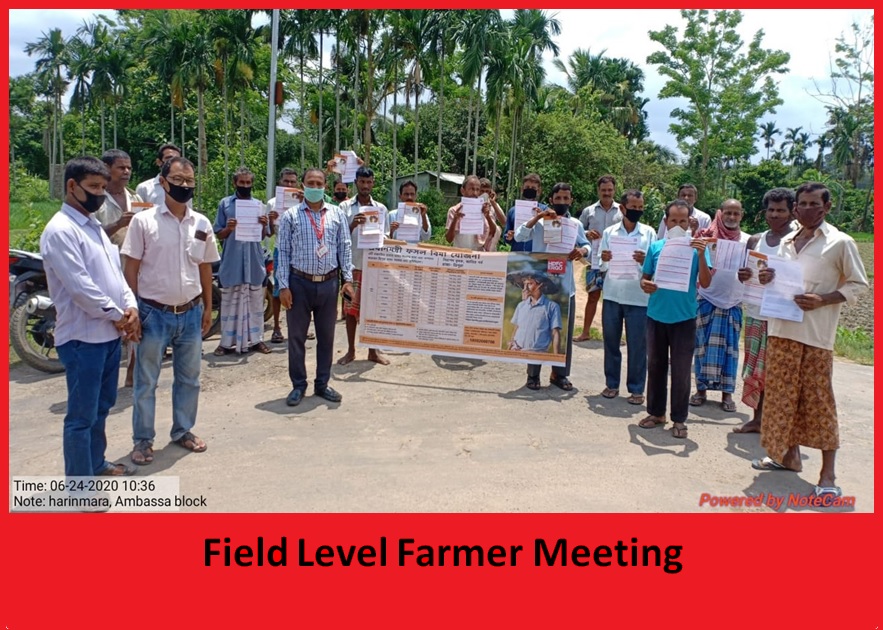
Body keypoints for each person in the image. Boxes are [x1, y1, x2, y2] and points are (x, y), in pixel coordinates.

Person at [751, 182, 868, 499]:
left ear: (827, 207)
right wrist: (766, 278)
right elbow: (775, 279)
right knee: (780, 398)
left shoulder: (839, 243)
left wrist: (824, 299)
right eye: (801, 204)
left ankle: (827, 474)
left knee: (818, 402)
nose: (806, 209)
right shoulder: (787, 242)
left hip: (815, 337)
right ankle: (788, 457)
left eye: (814, 204)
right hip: (780, 330)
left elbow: (859, 285)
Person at [40, 156, 141, 478]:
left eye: (102, 187)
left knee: (101, 408)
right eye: (94, 187)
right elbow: (81, 288)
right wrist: (118, 315)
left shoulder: (94, 227)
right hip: (83, 338)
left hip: (109, 336)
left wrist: (131, 307)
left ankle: (96, 463)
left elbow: (115, 274)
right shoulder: (60, 231)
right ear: (72, 186)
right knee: (81, 417)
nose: (100, 194)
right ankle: (80, 484)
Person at [122, 156, 220, 465]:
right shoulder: (144, 222)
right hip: (153, 313)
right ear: (162, 182)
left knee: (189, 378)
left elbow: (205, 267)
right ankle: (142, 440)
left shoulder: (201, 223)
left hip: (191, 313)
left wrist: (208, 307)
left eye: (190, 182)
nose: (184, 187)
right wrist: (133, 310)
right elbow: (131, 269)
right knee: (146, 381)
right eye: (178, 181)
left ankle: (183, 431)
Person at [277, 167, 355, 406]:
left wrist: (348, 280)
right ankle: (299, 385)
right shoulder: (290, 215)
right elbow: (283, 251)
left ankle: (322, 384)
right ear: (303, 186)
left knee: (327, 337)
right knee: (297, 338)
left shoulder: (335, 214)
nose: (314, 186)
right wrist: (282, 286)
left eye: (319, 183)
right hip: (299, 283)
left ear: (325, 187)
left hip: (329, 284)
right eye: (310, 182)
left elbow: (344, 246)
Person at [638, 200, 712, 439]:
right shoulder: (656, 247)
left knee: (681, 371)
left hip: (684, 318)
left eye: (683, 220)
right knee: (656, 366)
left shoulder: (698, 248)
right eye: (673, 220)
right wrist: (645, 285)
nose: (678, 224)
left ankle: (679, 419)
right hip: (656, 315)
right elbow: (644, 279)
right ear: (666, 221)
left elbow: (706, 282)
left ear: (690, 221)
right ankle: (656, 413)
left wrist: (701, 255)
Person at [515, 182, 590, 391]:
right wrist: (538, 217)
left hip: (565, 286)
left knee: (563, 332)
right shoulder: (539, 222)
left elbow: (586, 245)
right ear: (551, 200)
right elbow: (520, 235)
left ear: (571, 201)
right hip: (540, 283)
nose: (562, 203)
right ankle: (533, 375)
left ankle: (559, 375)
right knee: (535, 328)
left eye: (566, 199)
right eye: (558, 199)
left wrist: (582, 252)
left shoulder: (575, 224)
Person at [732, 188, 796, 434]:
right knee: (755, 369)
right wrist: (744, 274)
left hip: (783, 317)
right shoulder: (755, 240)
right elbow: (745, 273)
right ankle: (757, 419)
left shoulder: (797, 241)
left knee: (779, 371)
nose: (775, 214)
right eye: (771, 209)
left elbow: (802, 278)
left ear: (792, 212)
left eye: (781, 210)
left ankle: (778, 423)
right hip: (757, 312)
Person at [689, 199, 751, 412]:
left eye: (736, 213)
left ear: (742, 215)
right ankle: (701, 391)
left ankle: (727, 395)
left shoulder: (747, 241)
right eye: (728, 213)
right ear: (720, 213)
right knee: (702, 347)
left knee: (730, 351)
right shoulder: (707, 237)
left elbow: (752, 270)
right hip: (707, 298)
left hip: (733, 302)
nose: (732, 217)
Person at [597, 189, 656, 404]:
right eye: (634, 208)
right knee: (611, 342)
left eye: (641, 208)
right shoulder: (609, 233)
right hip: (613, 294)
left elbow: (655, 267)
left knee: (638, 345)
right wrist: (604, 258)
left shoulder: (649, 233)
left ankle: (637, 388)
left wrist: (644, 262)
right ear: (622, 208)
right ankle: (612, 384)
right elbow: (600, 264)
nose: (637, 211)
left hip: (638, 298)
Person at [95, 149, 144, 388]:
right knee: (113, 323)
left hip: (135, 269)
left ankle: (132, 371)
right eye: (120, 167)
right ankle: (105, 376)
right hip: (108, 271)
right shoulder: (97, 200)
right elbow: (90, 236)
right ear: (107, 169)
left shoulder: (136, 197)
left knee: (136, 319)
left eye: (129, 168)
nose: (126, 172)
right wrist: (118, 224)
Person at [213, 167, 271, 355]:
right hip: (233, 260)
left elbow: (263, 235)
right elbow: (218, 233)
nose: (245, 186)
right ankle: (225, 342)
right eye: (242, 182)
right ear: (234, 183)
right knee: (230, 301)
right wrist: (229, 229)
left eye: (248, 183)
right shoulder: (225, 204)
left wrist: (263, 224)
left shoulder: (258, 205)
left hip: (253, 261)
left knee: (255, 302)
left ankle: (256, 340)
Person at [337, 166, 391, 366]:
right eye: (362, 182)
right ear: (356, 182)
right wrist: (353, 225)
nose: (365, 185)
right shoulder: (344, 208)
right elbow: (340, 236)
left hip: (374, 267)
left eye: (369, 182)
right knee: (350, 310)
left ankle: (372, 351)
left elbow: (386, 236)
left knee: (373, 311)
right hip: (353, 267)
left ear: (373, 183)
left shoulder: (381, 209)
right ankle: (351, 350)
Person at [576, 175, 623, 341]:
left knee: (614, 300)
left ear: (614, 190)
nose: (607, 193)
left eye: (610, 190)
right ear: (598, 190)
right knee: (593, 296)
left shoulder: (622, 211)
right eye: (603, 190)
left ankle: (612, 335)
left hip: (616, 262)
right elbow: (578, 231)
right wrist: (587, 233)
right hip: (594, 262)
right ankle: (586, 332)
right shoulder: (588, 211)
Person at [266, 168, 309, 344]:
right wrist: (270, 220)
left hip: (301, 251)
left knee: (302, 290)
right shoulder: (272, 203)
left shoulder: (305, 201)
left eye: (292, 181)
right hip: (280, 250)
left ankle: (301, 328)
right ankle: (276, 327)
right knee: (279, 289)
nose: (289, 184)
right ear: (280, 182)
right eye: (286, 181)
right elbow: (268, 233)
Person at [507, 273, 562, 355]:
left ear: (540, 285)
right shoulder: (521, 305)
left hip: (537, 352)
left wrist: (556, 356)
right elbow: (517, 328)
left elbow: (555, 332)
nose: (525, 288)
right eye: (524, 284)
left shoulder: (552, 307)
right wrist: (508, 349)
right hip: (516, 349)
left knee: (533, 368)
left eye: (529, 284)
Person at [445, 174, 501, 251]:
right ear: (462, 191)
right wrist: (455, 219)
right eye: (471, 189)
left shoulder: (483, 208)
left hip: (479, 255)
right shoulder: (454, 210)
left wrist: (487, 216)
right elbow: (449, 239)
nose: (475, 193)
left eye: (477, 189)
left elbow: (493, 232)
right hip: (460, 254)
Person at [504, 173, 546, 252]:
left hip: (536, 257)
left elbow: (549, 234)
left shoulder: (544, 210)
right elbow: (506, 236)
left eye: (533, 188)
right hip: (517, 256)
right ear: (522, 190)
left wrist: (542, 218)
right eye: (527, 187)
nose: (530, 189)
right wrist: (509, 236)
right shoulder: (513, 211)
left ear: (539, 191)